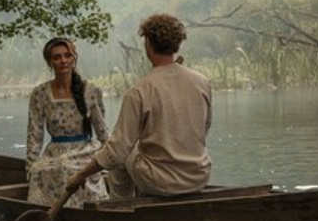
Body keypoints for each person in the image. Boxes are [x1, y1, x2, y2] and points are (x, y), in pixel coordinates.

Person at [65, 13, 211, 200]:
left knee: (121, 158)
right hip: (199, 177)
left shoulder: (139, 90)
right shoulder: (202, 82)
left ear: (148, 44)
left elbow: (115, 152)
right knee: (130, 151)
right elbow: (204, 128)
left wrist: (80, 175)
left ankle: (119, 210)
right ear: (177, 44)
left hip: (161, 182)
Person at [25, 36, 109, 206]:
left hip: (85, 151)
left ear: (74, 58)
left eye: (67, 55)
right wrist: (30, 167)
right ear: (50, 62)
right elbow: (35, 135)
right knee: (48, 169)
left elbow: (103, 132)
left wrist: (110, 161)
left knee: (69, 169)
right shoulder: (40, 94)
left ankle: (84, 212)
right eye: (57, 57)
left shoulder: (91, 91)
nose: (63, 61)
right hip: (55, 153)